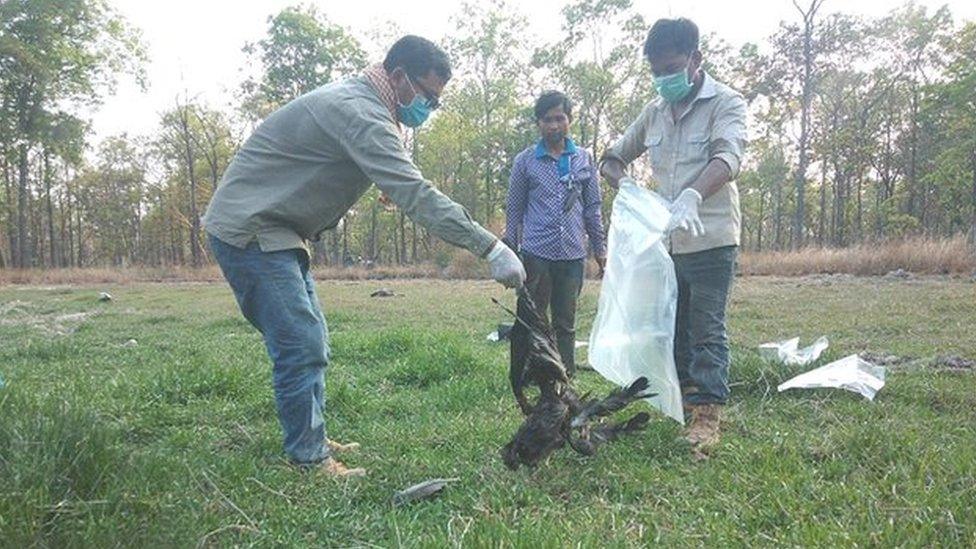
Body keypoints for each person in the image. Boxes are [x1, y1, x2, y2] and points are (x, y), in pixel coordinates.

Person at [203, 35, 526, 477]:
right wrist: (489, 245)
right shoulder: (361, 113)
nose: (429, 109)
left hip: (278, 229)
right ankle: (309, 458)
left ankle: (310, 433)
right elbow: (413, 192)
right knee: (300, 343)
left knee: (311, 336)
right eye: (428, 96)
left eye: (436, 102)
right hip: (253, 229)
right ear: (397, 76)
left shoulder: (367, 104)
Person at [599, 18, 747, 456]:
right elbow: (612, 157)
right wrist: (622, 183)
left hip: (711, 236)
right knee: (674, 326)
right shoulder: (655, 111)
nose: (664, 79)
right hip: (668, 244)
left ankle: (707, 416)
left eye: (672, 68)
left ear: (696, 59)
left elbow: (729, 156)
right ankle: (684, 399)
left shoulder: (725, 102)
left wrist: (692, 194)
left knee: (706, 327)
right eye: (657, 71)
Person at [504, 91, 606, 377]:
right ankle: (530, 373)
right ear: (538, 123)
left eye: (560, 118)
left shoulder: (583, 159)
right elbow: (514, 207)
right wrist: (510, 249)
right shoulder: (525, 161)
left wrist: (600, 249)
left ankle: (565, 374)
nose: (553, 125)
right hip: (537, 253)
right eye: (547, 120)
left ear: (569, 120)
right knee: (533, 318)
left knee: (566, 322)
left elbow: (593, 208)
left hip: (573, 253)